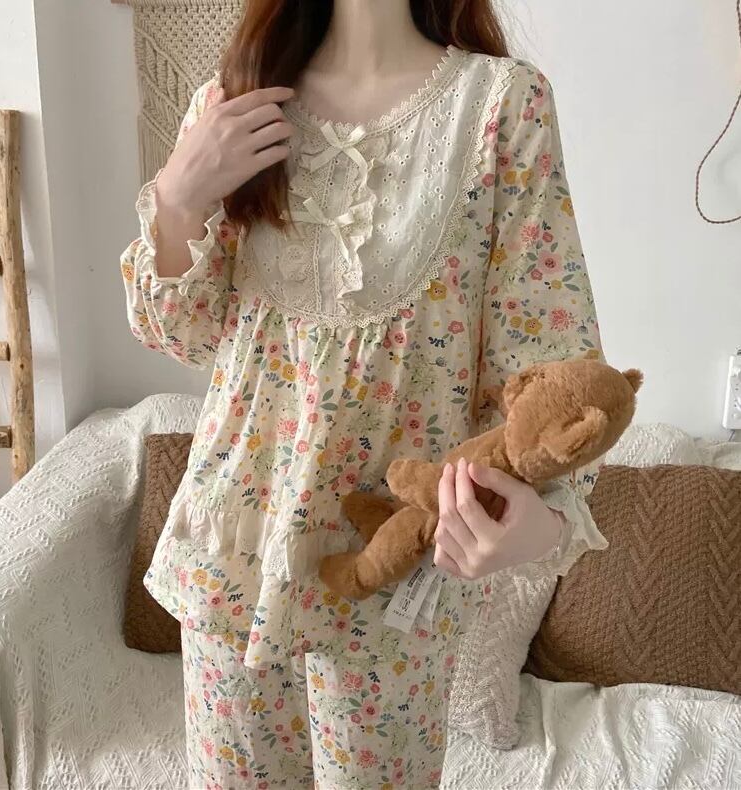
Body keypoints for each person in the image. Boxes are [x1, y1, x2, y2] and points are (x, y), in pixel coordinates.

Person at [119, 1, 607, 786]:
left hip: (390, 566)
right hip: (230, 552)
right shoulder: (233, 101)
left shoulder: (501, 105)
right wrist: (178, 200)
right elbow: (186, 333)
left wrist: (544, 518)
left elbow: (547, 348)